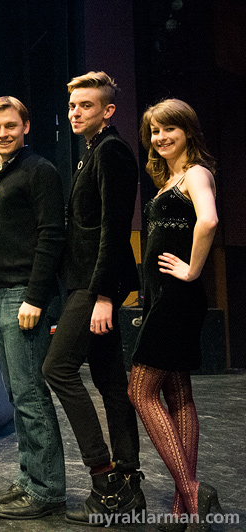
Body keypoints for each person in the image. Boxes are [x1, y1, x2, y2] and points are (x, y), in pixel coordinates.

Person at [41, 71, 144, 524]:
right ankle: (128, 481)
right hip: (86, 282)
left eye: (85, 105)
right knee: (109, 380)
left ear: (108, 110)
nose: (75, 112)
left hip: (94, 285)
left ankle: (103, 475)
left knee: (57, 368)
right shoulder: (92, 153)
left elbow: (114, 230)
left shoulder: (112, 150)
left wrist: (103, 295)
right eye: (72, 106)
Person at [128, 99, 220, 531]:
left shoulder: (197, 173)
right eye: (155, 131)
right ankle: (186, 508)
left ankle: (191, 492)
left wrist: (193, 270)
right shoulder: (170, 177)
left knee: (140, 391)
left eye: (170, 130)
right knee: (178, 393)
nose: (161, 138)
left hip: (175, 299)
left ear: (188, 131)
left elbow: (209, 221)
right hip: (164, 298)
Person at [0, 97, 67, 519]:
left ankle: (47, 490)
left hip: (21, 296)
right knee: (17, 393)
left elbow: (51, 236)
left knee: (31, 394)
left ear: (26, 125)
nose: (2, 134)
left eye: (10, 126)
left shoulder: (40, 170)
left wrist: (35, 296)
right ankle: (30, 478)